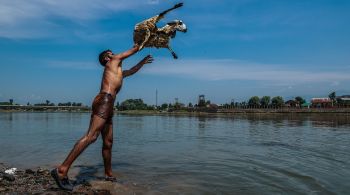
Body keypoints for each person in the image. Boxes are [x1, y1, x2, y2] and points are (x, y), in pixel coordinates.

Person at [51, 44, 154, 191]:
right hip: (105, 100)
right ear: (107, 58)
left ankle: (108, 174)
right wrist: (143, 41)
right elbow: (132, 50)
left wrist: (142, 63)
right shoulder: (112, 61)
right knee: (91, 136)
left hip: (108, 103)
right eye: (112, 53)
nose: (115, 54)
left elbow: (131, 71)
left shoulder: (117, 70)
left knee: (108, 142)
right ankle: (61, 170)